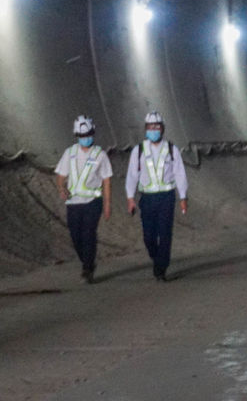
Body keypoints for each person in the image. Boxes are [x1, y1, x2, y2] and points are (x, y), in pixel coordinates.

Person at [125, 111, 188, 281]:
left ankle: (161, 269)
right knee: (149, 236)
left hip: (166, 198)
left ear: (162, 129)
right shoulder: (138, 151)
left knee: (165, 234)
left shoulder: (171, 149)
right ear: (146, 129)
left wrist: (183, 197)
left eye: (157, 127)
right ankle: (156, 258)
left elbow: (179, 173)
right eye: (150, 127)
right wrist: (130, 198)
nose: (154, 130)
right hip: (147, 199)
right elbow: (132, 175)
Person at [54, 115, 112, 284]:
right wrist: (61, 187)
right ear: (76, 136)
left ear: (93, 133)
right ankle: (87, 261)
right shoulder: (70, 153)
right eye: (82, 136)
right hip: (73, 203)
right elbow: (60, 175)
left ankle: (87, 268)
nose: (85, 138)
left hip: (92, 203)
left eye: (88, 135)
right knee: (75, 236)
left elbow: (106, 181)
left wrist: (107, 204)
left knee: (88, 234)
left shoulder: (100, 155)